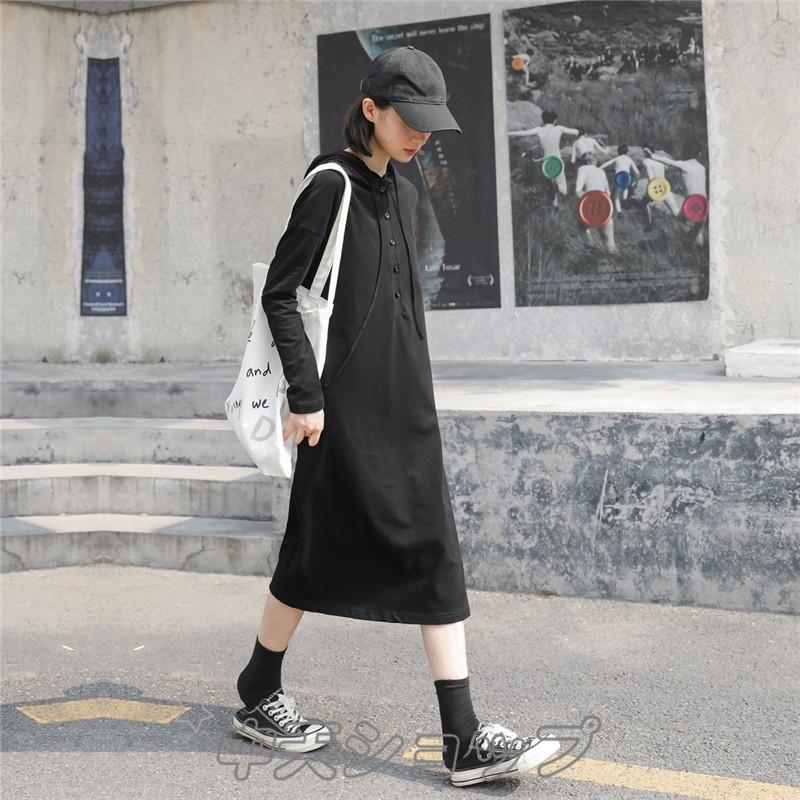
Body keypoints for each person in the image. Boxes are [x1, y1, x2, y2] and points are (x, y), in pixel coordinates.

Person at [232, 45, 562, 788]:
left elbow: (404, 312)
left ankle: (445, 732)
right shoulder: (331, 185)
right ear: (371, 109)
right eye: (408, 119)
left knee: (421, 553)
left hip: (404, 407)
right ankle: (446, 733)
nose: (420, 135)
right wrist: (306, 396)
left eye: (429, 122)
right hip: (339, 411)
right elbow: (280, 294)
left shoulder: (405, 193)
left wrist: (418, 400)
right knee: (314, 554)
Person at [509, 110, 579, 208]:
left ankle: (554, 204)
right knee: (564, 191)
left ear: (543, 120)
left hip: (545, 162)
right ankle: (556, 188)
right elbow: (575, 132)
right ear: (555, 120)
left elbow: (524, 133)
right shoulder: (559, 128)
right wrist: (579, 132)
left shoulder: (539, 130)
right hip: (556, 161)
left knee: (549, 185)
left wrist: (508, 133)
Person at [575, 152, 619, 255]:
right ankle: (617, 260)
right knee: (610, 244)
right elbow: (608, 193)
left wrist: (588, 199)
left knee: (581, 228)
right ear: (594, 161)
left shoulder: (582, 169)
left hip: (589, 207)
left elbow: (578, 191)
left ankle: (591, 249)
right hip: (604, 206)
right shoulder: (601, 171)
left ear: (584, 162)